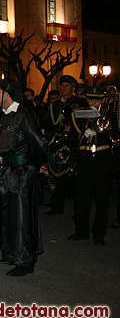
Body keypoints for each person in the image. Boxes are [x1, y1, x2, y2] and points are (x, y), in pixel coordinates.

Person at [0, 79, 46, 276]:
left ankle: (25, 260)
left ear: (8, 93)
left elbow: (38, 141)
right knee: (9, 213)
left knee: (23, 216)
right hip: (9, 173)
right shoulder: (7, 115)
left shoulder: (24, 114)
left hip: (23, 173)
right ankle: (11, 254)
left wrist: (38, 164)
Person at [67, 86, 117, 246]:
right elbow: (73, 139)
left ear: (103, 99)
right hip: (85, 160)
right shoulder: (79, 114)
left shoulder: (110, 115)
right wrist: (83, 135)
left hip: (102, 160)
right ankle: (81, 231)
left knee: (102, 200)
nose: (93, 102)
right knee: (82, 198)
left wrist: (104, 133)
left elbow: (115, 136)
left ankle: (99, 234)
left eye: (97, 99)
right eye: (90, 99)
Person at [45, 75, 87, 215]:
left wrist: (73, 130)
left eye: (67, 86)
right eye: (62, 85)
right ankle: (58, 204)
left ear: (73, 88)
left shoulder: (81, 102)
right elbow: (51, 124)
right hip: (58, 141)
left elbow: (84, 121)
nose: (64, 88)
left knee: (74, 174)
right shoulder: (55, 104)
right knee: (58, 174)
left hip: (73, 141)